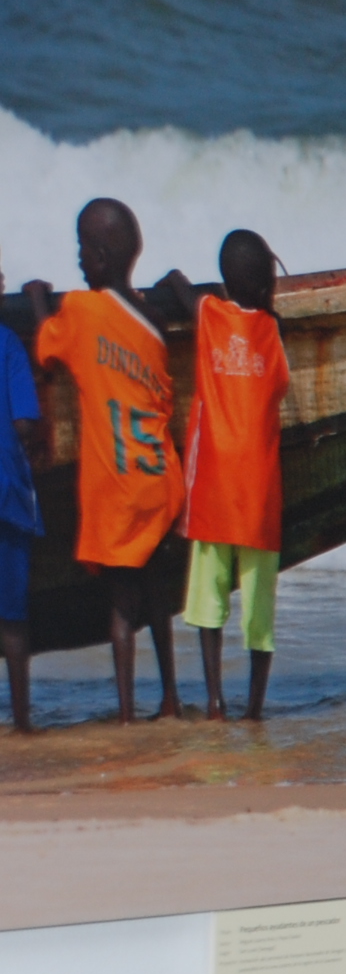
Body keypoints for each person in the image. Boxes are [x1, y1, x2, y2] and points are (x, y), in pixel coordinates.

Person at [24, 197, 186, 724]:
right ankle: (170, 699)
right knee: (158, 598)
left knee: (120, 608)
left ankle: (124, 712)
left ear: (97, 254)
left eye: (80, 248)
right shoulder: (154, 320)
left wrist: (34, 301)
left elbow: (47, 348)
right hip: (159, 478)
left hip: (115, 487)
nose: (76, 258)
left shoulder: (82, 312)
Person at [178, 229, 291, 722]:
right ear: (267, 283)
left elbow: (182, 292)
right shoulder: (273, 331)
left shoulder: (210, 314)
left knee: (208, 600)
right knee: (258, 610)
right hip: (260, 492)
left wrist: (173, 281)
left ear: (225, 282)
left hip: (214, 487)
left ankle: (216, 702)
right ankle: (255, 708)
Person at [0, 240, 41, 732]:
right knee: (11, 621)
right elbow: (26, 422)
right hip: (6, 496)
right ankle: (25, 720)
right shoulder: (7, 343)